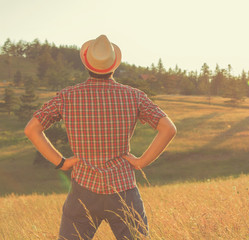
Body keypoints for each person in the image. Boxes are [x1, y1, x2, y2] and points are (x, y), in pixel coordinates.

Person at [24, 34, 176, 240]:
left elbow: (31, 129)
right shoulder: (134, 96)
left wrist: (62, 162)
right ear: (113, 66)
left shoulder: (67, 96)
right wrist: (141, 162)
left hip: (83, 190)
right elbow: (169, 128)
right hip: (124, 189)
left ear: (87, 64)